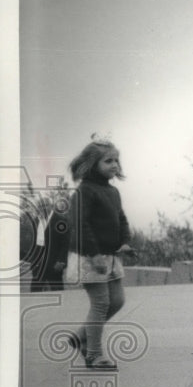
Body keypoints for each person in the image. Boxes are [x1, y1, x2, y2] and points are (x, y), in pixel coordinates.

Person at [56, 138, 134, 369]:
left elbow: (121, 219)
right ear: (92, 164)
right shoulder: (85, 191)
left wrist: (126, 242)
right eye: (108, 160)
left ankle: (80, 336)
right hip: (90, 256)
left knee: (117, 301)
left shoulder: (113, 191)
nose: (114, 165)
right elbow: (80, 225)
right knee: (100, 304)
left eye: (116, 160)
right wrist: (94, 255)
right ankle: (94, 354)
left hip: (110, 256)